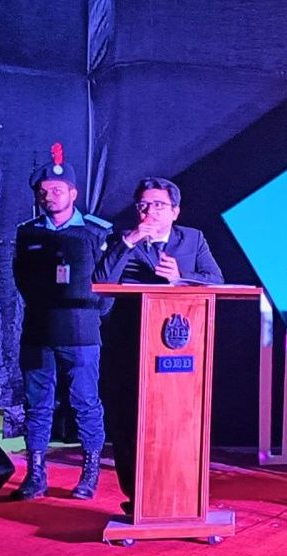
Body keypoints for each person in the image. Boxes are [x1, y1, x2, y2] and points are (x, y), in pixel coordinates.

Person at [93, 177, 226, 514]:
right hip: (128, 340)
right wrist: (130, 240)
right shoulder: (122, 239)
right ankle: (137, 498)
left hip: (178, 347)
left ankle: (179, 495)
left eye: (158, 205)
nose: (149, 211)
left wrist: (180, 278)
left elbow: (216, 280)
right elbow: (102, 281)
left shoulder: (192, 239)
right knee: (128, 419)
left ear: (175, 211)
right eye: (143, 205)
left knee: (176, 419)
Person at [11, 144, 111, 501]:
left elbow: (108, 284)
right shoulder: (29, 232)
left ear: (73, 193)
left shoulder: (96, 232)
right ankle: (36, 474)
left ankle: (89, 473)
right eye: (43, 192)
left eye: (57, 190)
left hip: (81, 332)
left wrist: (92, 315)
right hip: (38, 331)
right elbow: (21, 278)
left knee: (85, 402)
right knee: (37, 405)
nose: (49, 196)